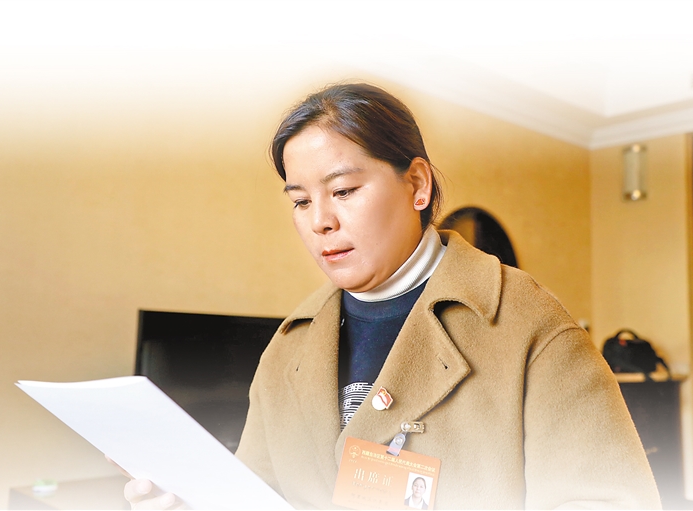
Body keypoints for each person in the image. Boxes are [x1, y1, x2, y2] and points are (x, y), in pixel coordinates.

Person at [121, 83, 662, 509]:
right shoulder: (289, 346)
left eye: (343, 191)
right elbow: (261, 494)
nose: (320, 221)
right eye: (301, 201)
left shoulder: (528, 325)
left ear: (417, 185)